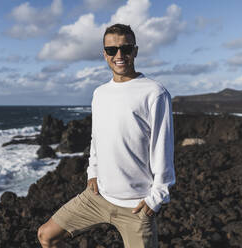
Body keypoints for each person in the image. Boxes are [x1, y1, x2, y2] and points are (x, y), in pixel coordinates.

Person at [38, 23, 175, 248]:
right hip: (98, 197)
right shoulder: (100, 93)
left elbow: (163, 146)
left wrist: (157, 197)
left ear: (135, 51)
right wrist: (93, 170)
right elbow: (97, 136)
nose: (119, 55)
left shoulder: (154, 93)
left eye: (126, 48)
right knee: (47, 235)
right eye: (112, 50)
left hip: (137, 206)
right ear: (104, 54)